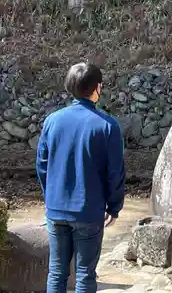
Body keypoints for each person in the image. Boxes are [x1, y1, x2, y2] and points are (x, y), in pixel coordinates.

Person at [36, 62, 126, 293]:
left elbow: (42, 165)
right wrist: (114, 206)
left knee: (56, 272)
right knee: (85, 274)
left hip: (56, 210)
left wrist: (52, 197)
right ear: (97, 88)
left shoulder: (52, 121)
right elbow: (115, 172)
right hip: (88, 211)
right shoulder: (107, 126)